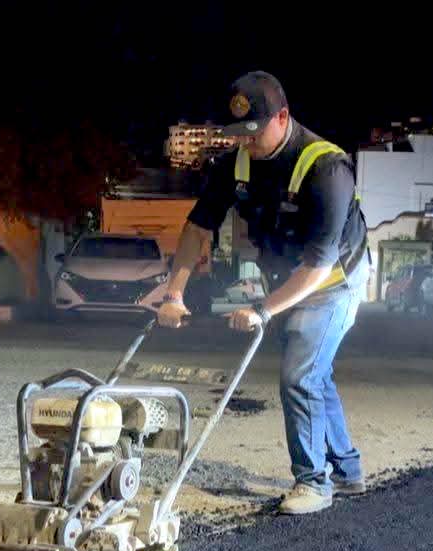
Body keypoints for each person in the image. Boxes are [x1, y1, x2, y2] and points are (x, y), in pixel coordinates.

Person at [158, 70, 371, 515]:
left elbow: (318, 266)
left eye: (254, 133)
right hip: (286, 279)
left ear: (283, 116)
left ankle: (314, 483)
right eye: (239, 134)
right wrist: (174, 291)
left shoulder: (325, 167)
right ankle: (347, 472)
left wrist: (262, 309)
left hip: (333, 282)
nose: (247, 143)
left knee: (298, 375)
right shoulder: (233, 164)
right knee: (313, 374)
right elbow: (198, 228)